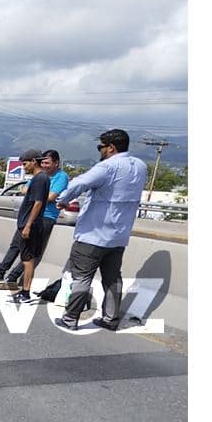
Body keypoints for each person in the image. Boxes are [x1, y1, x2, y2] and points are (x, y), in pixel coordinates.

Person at [53, 129, 148, 330]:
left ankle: (70, 319)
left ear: (111, 148)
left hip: (92, 235)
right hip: (119, 236)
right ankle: (110, 319)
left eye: (101, 147)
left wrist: (63, 200)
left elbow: (80, 183)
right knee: (112, 279)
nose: (100, 150)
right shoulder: (140, 166)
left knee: (81, 277)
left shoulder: (108, 166)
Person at [0, 149, 68, 284]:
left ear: (56, 163)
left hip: (45, 218)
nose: (44, 165)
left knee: (30, 253)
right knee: (16, 245)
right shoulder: (39, 177)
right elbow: (24, 190)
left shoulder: (60, 177)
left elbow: (49, 198)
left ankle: (13, 277)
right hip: (29, 216)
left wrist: (38, 194)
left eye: (47, 163)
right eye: (43, 162)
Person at [7, 150, 51, 304]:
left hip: (31, 225)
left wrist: (28, 225)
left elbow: (38, 203)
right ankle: (24, 291)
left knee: (27, 260)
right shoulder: (40, 178)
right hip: (30, 224)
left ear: (33, 161)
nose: (24, 167)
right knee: (27, 258)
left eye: (25, 164)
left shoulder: (40, 179)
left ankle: (25, 293)